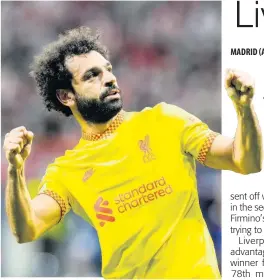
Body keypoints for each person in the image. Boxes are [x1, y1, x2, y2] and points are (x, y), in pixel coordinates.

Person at [3, 27, 262, 279]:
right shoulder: (65, 170)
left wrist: (245, 109)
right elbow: (27, 229)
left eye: (108, 69)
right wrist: (15, 171)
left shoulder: (166, 121)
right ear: (66, 96)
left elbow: (245, 161)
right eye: (92, 75)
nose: (109, 78)